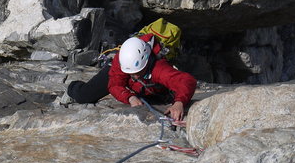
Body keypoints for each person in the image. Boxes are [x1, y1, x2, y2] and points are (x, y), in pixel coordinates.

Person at [58, 33, 196, 121]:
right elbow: (114, 84)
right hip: (121, 75)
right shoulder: (122, 59)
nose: (134, 75)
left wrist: (179, 103)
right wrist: (129, 97)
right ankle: (71, 89)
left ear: (146, 62)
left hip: (148, 87)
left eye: (138, 72)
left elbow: (186, 81)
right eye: (132, 73)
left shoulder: (158, 68)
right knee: (84, 95)